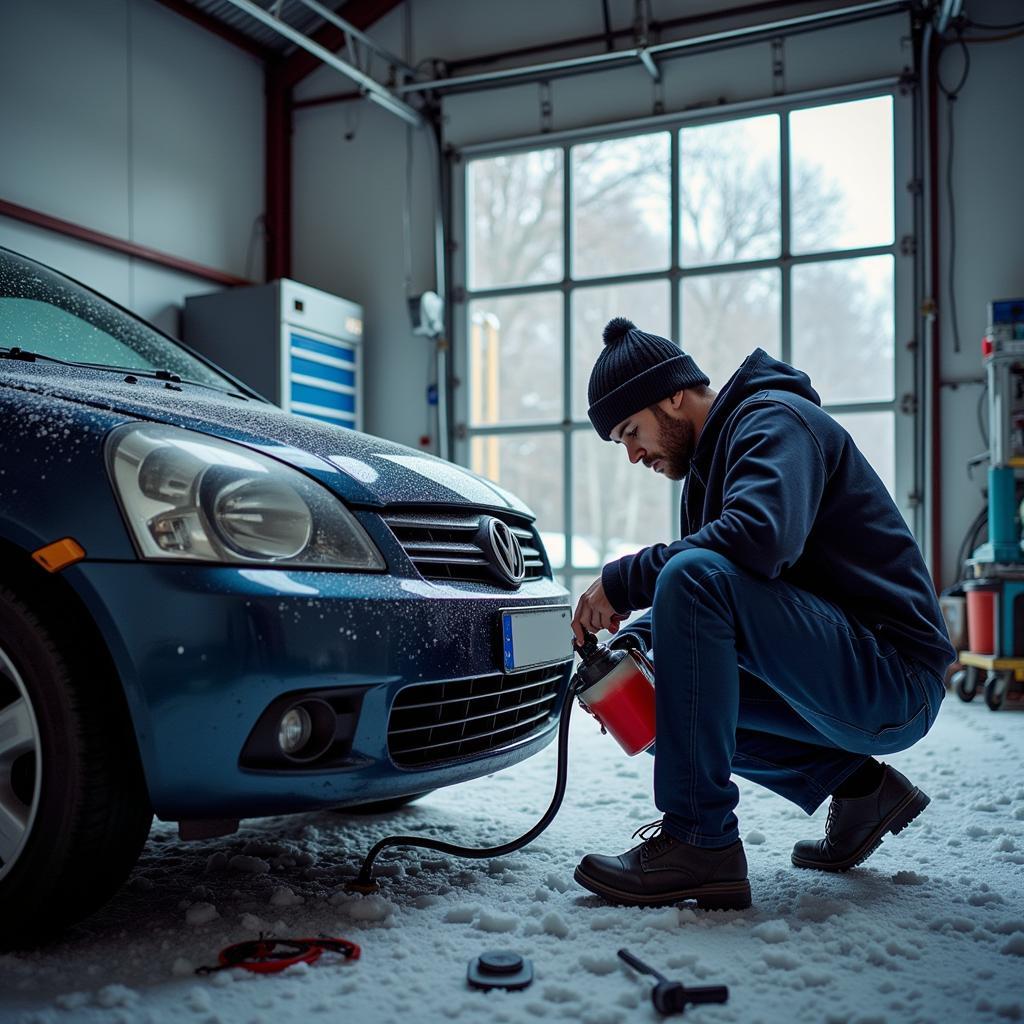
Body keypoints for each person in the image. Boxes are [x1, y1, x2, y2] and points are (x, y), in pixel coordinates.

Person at [570, 317, 954, 910]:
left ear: (673, 394)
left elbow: (756, 542)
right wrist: (633, 648)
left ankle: (701, 843)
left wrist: (623, 581)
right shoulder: (707, 476)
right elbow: (721, 599)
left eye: (630, 430)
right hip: (838, 668)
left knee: (691, 576)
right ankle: (860, 789)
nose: (631, 454)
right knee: (654, 702)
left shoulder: (773, 420)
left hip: (894, 674)